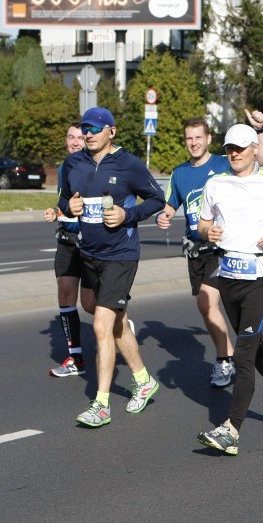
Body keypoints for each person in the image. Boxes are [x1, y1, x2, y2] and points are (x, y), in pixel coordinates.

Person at [195, 123, 263, 455]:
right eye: (230, 147)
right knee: (253, 347)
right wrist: (207, 232)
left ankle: (231, 430)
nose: (234, 153)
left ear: (255, 149)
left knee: (242, 352)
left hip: (262, 276)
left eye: (241, 148)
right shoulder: (216, 184)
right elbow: (202, 222)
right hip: (228, 276)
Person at [58, 107, 166, 426]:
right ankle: (144, 380)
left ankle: (101, 405)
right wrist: (69, 206)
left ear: (111, 132)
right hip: (89, 253)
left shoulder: (128, 164)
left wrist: (126, 216)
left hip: (121, 254)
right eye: (84, 129)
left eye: (94, 128)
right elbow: (64, 200)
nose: (88, 134)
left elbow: (156, 199)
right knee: (110, 319)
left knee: (102, 325)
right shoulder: (72, 163)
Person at [156, 110, 263, 388]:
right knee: (206, 307)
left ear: (208, 138)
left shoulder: (223, 163)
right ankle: (231, 355)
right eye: (189, 138)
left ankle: (227, 359)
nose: (194, 142)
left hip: (223, 248)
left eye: (198, 137)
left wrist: (259, 131)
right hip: (196, 248)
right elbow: (172, 203)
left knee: (210, 301)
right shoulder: (180, 173)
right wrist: (165, 214)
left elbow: (261, 159)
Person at [43, 122, 97, 377]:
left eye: (79, 138)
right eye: (70, 137)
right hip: (66, 239)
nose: (75, 142)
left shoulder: (94, 165)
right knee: (65, 294)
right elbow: (64, 201)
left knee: (88, 303)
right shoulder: (65, 166)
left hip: (89, 243)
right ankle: (75, 357)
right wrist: (56, 211)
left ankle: (118, 321)